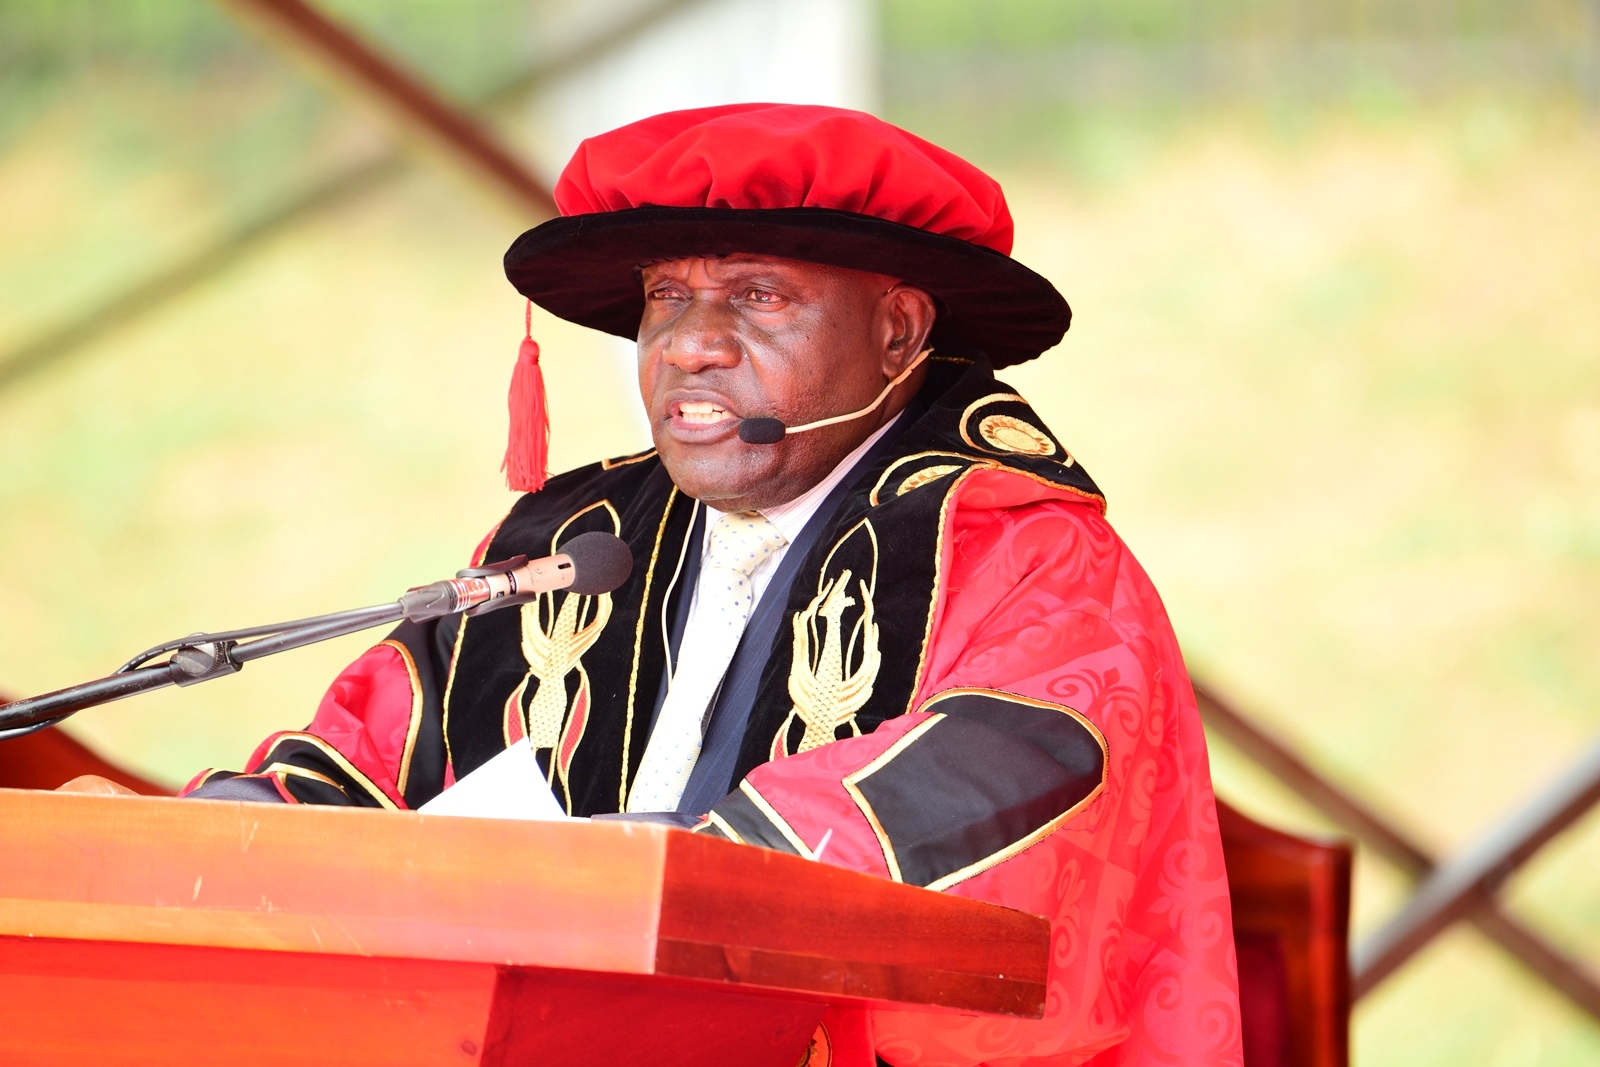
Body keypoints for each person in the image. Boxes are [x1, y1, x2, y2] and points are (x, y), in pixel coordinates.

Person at [181, 104, 1241, 1065]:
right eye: (666, 297)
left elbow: (994, 776)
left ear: (898, 333)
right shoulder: (574, 539)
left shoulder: (1017, 548)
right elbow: (378, 749)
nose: (689, 344)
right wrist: (254, 819)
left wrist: (687, 867)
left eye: (758, 296)